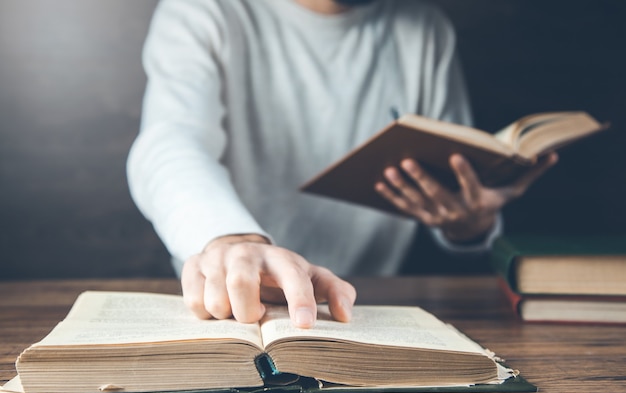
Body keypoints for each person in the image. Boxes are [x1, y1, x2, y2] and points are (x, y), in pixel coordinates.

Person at [127, 0, 557, 329]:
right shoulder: (203, 11)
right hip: (228, 304)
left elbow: (452, 175)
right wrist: (232, 241)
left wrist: (468, 226)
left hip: (367, 311)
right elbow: (170, 141)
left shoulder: (424, 30)